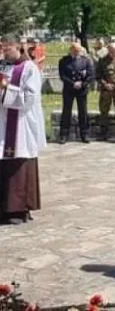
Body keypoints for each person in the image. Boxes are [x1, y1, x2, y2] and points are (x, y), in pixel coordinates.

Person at [0, 35, 46, 226]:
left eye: (6, 47)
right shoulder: (3, 67)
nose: (4, 51)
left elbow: (29, 98)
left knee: (18, 165)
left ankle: (19, 208)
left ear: (18, 47)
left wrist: (5, 89)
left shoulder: (29, 69)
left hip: (21, 125)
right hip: (3, 124)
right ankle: (3, 207)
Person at [58, 43, 94, 144]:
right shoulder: (64, 61)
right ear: (71, 50)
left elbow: (90, 75)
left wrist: (82, 83)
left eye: (79, 50)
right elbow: (62, 75)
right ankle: (64, 134)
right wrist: (72, 83)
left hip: (81, 90)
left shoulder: (85, 61)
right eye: (76, 50)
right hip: (69, 89)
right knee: (66, 111)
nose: (78, 52)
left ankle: (84, 134)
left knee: (83, 112)